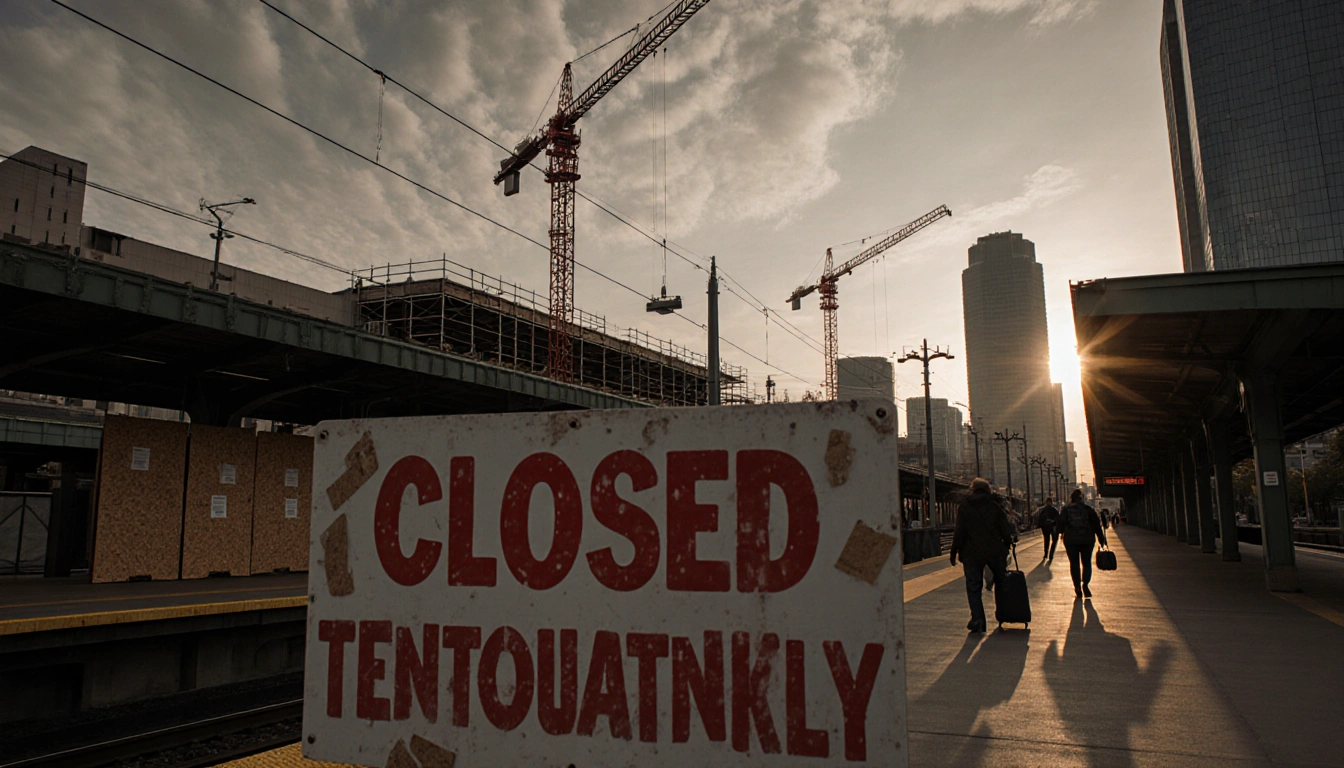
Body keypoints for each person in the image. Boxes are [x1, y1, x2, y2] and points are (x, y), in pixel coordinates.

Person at [950, 478, 1016, 633]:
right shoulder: (995, 507)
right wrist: (1007, 545)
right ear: (988, 491)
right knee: (1001, 583)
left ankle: (978, 619)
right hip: (994, 552)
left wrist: (954, 551)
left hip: (972, 554)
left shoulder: (964, 507)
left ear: (972, 490)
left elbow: (959, 532)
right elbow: (1005, 530)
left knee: (974, 587)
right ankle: (1003, 614)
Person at [1056, 489, 1107, 599]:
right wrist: (1102, 540)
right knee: (1087, 563)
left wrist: (1060, 532)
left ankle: (1077, 587)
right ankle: (1085, 584)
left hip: (1071, 541)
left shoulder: (1066, 510)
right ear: (1082, 498)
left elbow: (1060, 526)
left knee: (1074, 564)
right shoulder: (1088, 510)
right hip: (1087, 540)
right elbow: (1097, 526)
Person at [1036, 497, 1060, 562]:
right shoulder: (1052, 510)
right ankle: (1049, 554)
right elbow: (1058, 519)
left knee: (1048, 540)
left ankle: (1047, 554)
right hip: (1051, 527)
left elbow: (1040, 519)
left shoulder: (1044, 510)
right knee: (1051, 540)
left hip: (1048, 527)